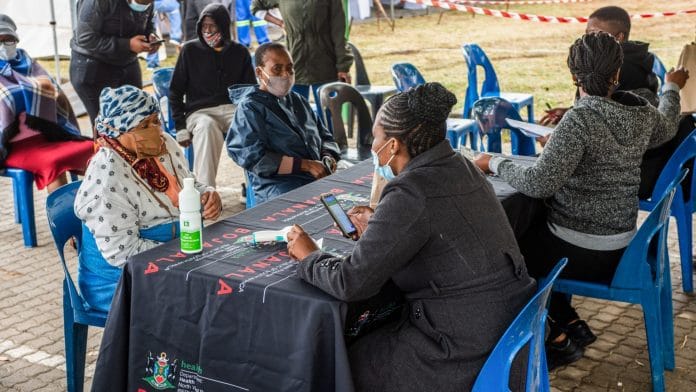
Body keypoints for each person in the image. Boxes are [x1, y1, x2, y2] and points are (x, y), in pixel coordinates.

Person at [286, 83, 536, 391]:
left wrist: (310, 256)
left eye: (375, 137)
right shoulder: (461, 165)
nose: (371, 144)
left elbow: (351, 282)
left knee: (342, 363)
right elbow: (435, 226)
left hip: (463, 348)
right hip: (508, 326)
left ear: (392, 145)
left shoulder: (410, 190)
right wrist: (382, 226)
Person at [474, 32, 688, 369]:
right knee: (535, 232)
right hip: (620, 244)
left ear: (574, 77)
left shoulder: (579, 119)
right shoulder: (640, 110)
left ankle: (553, 339)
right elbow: (668, 124)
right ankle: (568, 321)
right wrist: (671, 89)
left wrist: (493, 162)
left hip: (579, 250)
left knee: (508, 252)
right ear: (617, 74)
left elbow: (539, 182)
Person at [74, 85, 222, 313]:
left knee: (224, 284)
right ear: (119, 131)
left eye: (156, 121)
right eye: (144, 125)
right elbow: (121, 252)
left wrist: (207, 194)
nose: (156, 130)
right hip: (119, 280)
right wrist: (183, 257)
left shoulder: (165, 146)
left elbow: (188, 182)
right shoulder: (106, 176)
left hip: (170, 257)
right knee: (203, 302)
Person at [539, 5, 693, 199]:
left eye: (595, 33)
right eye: (587, 33)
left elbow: (601, 140)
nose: (589, 40)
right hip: (642, 166)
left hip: (629, 177)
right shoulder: (638, 59)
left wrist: (557, 145)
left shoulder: (613, 71)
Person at [226, 43, 342, 204]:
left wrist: (328, 156)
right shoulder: (250, 107)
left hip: (316, 177)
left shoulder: (297, 100)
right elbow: (254, 158)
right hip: (278, 186)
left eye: (290, 68)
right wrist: (305, 165)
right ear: (259, 72)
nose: (286, 74)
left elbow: (324, 136)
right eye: (277, 69)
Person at [0, 14, 94, 193]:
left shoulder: (26, 62)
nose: (4, 46)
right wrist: (33, 89)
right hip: (12, 148)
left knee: (97, 151)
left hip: (47, 137)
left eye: (8, 40)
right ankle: (62, 220)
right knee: (54, 164)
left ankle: (101, 210)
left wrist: (32, 89)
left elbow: (54, 91)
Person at [170, 3, 255, 188]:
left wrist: (250, 115)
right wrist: (180, 127)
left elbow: (250, 91)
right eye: (204, 26)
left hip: (233, 109)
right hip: (200, 113)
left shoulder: (240, 52)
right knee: (206, 127)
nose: (207, 31)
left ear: (223, 26)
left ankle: (255, 188)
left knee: (249, 127)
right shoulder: (189, 51)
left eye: (213, 26)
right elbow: (175, 92)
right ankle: (206, 193)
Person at [251, 0, 353, 114]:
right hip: (292, 64)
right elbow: (256, 8)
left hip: (325, 62)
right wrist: (280, 23)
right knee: (295, 114)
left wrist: (343, 65)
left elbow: (338, 32)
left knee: (328, 115)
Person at [70, 0, 162, 126]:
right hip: (93, 66)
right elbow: (85, 38)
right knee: (107, 125)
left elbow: (148, 23)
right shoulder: (97, 2)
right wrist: (127, 44)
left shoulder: (148, 3)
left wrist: (151, 36)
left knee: (139, 118)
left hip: (127, 63)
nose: (147, 4)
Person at [146, 0, 184, 69]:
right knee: (174, 6)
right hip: (155, 3)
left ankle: (152, 64)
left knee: (152, 31)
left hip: (147, 5)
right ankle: (176, 36)